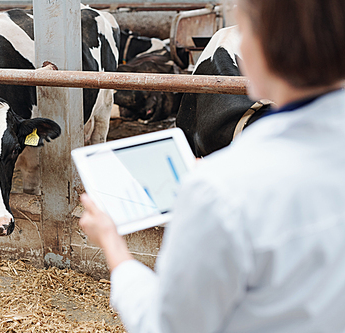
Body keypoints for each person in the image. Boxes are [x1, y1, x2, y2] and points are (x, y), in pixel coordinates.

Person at [79, 0, 345, 332]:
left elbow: (168, 326)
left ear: (262, 47)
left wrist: (112, 244)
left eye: (243, 31)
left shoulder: (220, 192)